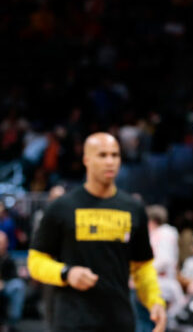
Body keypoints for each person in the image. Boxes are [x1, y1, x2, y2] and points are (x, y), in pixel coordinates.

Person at [27, 132, 167, 332]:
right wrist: (66, 273)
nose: (110, 161)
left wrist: (155, 302)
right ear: (86, 159)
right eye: (102, 155)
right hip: (72, 322)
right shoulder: (62, 207)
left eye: (115, 155)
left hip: (120, 321)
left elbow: (142, 268)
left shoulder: (133, 208)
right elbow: (35, 261)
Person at [0, 230, 26, 328]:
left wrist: (3, 281)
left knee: (18, 285)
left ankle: (12, 322)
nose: (1, 246)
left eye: (3, 243)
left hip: (6, 285)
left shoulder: (8, 258)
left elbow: (14, 275)